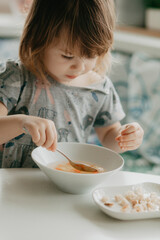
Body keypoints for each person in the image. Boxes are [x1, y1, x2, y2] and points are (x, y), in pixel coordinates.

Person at [0, 0, 144, 168]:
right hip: (14, 184)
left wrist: (125, 137)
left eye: (91, 55)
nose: (80, 67)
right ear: (38, 38)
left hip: (66, 184)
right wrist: (21, 123)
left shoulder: (99, 88)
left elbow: (108, 136)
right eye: (67, 56)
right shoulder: (15, 77)